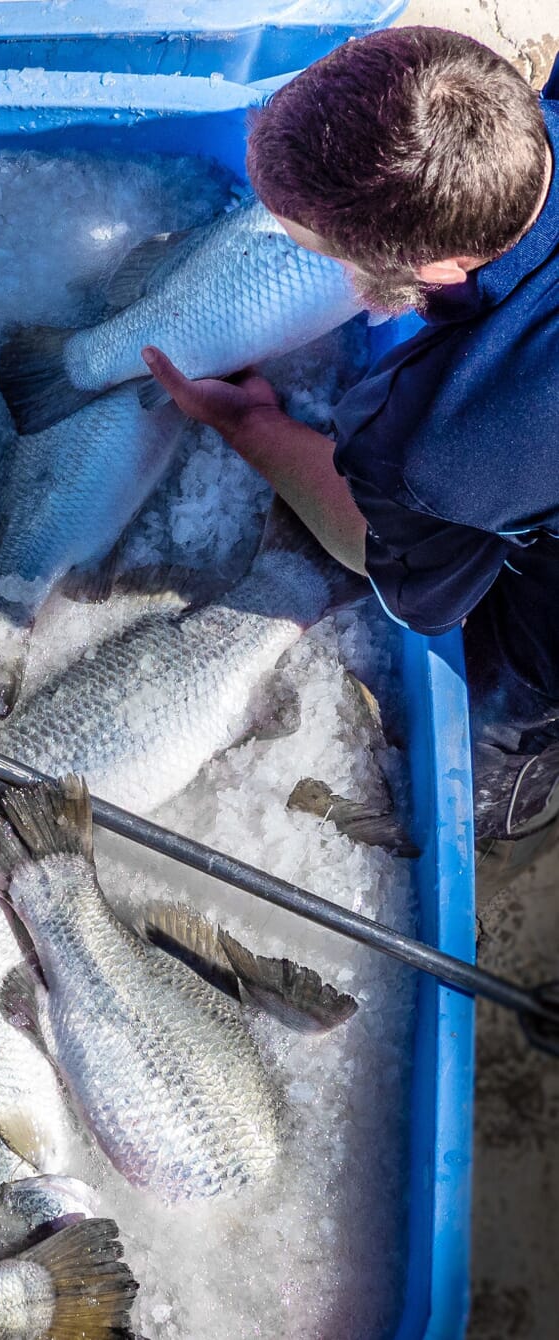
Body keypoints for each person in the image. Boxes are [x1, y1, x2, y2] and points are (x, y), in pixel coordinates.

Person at [142, 27, 559, 892]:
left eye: (317, 248)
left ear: (429, 268)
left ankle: (518, 766)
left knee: (516, 667)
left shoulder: (436, 444)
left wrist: (251, 426)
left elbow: (374, 548)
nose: (306, 256)